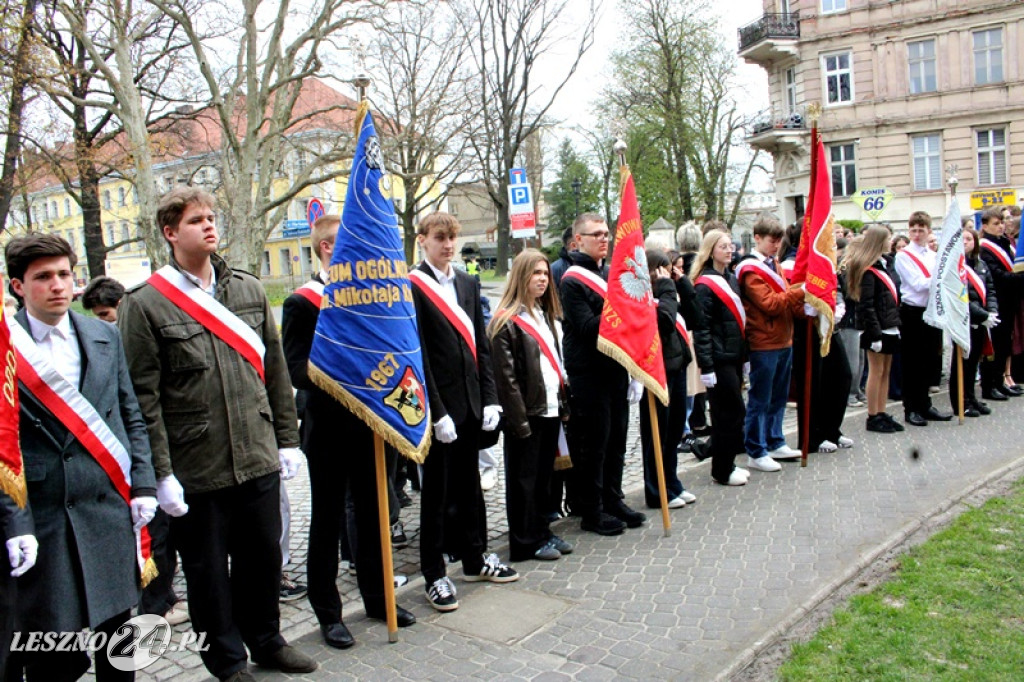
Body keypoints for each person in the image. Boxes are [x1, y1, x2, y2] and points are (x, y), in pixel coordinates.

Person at [118, 188, 316, 681]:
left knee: (263, 561)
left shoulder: (247, 289)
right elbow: (144, 400)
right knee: (208, 576)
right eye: (195, 220)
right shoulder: (144, 306)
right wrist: (159, 474)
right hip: (196, 467)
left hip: (256, 456)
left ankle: (267, 640)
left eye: (212, 217)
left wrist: (287, 440)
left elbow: (274, 373)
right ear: (170, 233)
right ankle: (226, 661)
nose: (209, 226)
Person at [5, 233, 157, 682]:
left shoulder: (104, 333)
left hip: (105, 508)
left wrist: (144, 483)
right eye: (43, 277)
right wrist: (15, 524)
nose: (57, 285)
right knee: (54, 654)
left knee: (119, 647)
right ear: (18, 286)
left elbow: (131, 415)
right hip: (45, 517)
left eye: (64, 275)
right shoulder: (4, 346)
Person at [280, 214, 416, 649]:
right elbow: (297, 368)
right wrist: (347, 372)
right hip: (328, 429)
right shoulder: (302, 303)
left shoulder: (370, 299)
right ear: (326, 249)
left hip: (372, 425)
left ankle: (379, 600)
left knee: (376, 513)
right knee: (328, 519)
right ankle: (329, 611)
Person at [410, 211, 517, 613]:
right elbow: (417, 355)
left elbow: (481, 347)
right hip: (440, 412)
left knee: (471, 488)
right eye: (440, 238)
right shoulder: (414, 287)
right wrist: (436, 412)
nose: (448, 245)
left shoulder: (468, 284)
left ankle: (475, 558)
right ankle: (434, 574)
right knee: (435, 495)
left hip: (472, 403)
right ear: (423, 240)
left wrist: (490, 397)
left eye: (452, 237)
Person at [560, 213, 646, 535]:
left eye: (606, 234)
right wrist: (623, 310)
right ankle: (591, 510)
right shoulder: (572, 279)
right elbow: (586, 327)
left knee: (617, 440)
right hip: (588, 371)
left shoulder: (612, 274)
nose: (604, 239)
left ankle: (613, 499)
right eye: (596, 234)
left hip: (615, 367)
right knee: (595, 442)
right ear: (578, 240)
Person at [488, 249, 574, 561]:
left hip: (550, 409)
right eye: (535, 273)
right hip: (527, 415)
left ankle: (542, 532)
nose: (542, 279)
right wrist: (519, 421)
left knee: (543, 479)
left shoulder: (544, 315)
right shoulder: (505, 323)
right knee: (523, 481)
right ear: (521, 277)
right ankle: (524, 541)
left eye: (544, 273)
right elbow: (506, 380)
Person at [736, 217, 804, 473]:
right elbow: (771, 304)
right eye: (771, 240)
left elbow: (783, 297)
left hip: (783, 337)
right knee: (760, 398)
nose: (776, 245)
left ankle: (775, 440)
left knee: (779, 396)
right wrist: (799, 292)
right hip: (764, 341)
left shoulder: (773, 263)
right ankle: (756, 448)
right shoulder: (750, 269)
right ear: (757, 238)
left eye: (778, 241)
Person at [691, 230, 749, 486]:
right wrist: (706, 365)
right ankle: (721, 469)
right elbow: (702, 328)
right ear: (711, 250)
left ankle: (729, 462)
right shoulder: (705, 284)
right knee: (728, 412)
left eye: (731, 245)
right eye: (723, 246)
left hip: (734, 355)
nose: (730, 250)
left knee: (734, 412)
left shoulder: (732, 279)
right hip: (718, 358)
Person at [639, 249, 695, 508]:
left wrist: (681, 282)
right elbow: (664, 321)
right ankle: (656, 489)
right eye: (661, 269)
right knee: (657, 433)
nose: (666, 274)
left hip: (677, 364)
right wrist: (666, 288)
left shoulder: (668, 291)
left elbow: (695, 316)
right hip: (656, 369)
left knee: (673, 432)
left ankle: (671, 481)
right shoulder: (647, 296)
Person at [894, 211, 951, 426]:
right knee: (912, 362)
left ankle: (925, 404)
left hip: (931, 310)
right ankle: (912, 408)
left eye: (921, 230)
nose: (917, 234)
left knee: (929, 360)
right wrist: (938, 279)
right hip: (913, 312)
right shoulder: (904, 255)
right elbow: (917, 284)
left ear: (929, 231)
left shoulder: (932, 255)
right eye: (913, 230)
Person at [844, 227, 904, 433]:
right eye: (888, 238)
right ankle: (872, 415)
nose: (891, 241)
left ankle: (881, 411)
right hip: (877, 328)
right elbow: (866, 305)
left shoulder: (884, 264)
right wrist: (875, 333)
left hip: (890, 325)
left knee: (886, 371)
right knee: (876, 371)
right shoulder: (868, 270)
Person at [951, 227, 998, 417]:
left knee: (974, 363)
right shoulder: (956, 267)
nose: (965, 242)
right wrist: (982, 315)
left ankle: (971, 397)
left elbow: (990, 290)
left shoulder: (981, 265)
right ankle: (960, 402)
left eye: (969, 239)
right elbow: (960, 297)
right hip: (966, 320)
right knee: (963, 363)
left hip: (982, 320)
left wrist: (992, 312)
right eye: (962, 239)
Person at [978, 208, 1023, 400]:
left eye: (1002, 222)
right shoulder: (985, 247)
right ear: (986, 225)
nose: (1001, 226)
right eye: (996, 223)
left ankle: (1000, 381)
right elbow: (996, 275)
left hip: (1010, 300)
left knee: (1005, 343)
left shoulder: (1004, 242)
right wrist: (1019, 278)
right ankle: (990, 386)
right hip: (995, 301)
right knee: (994, 345)